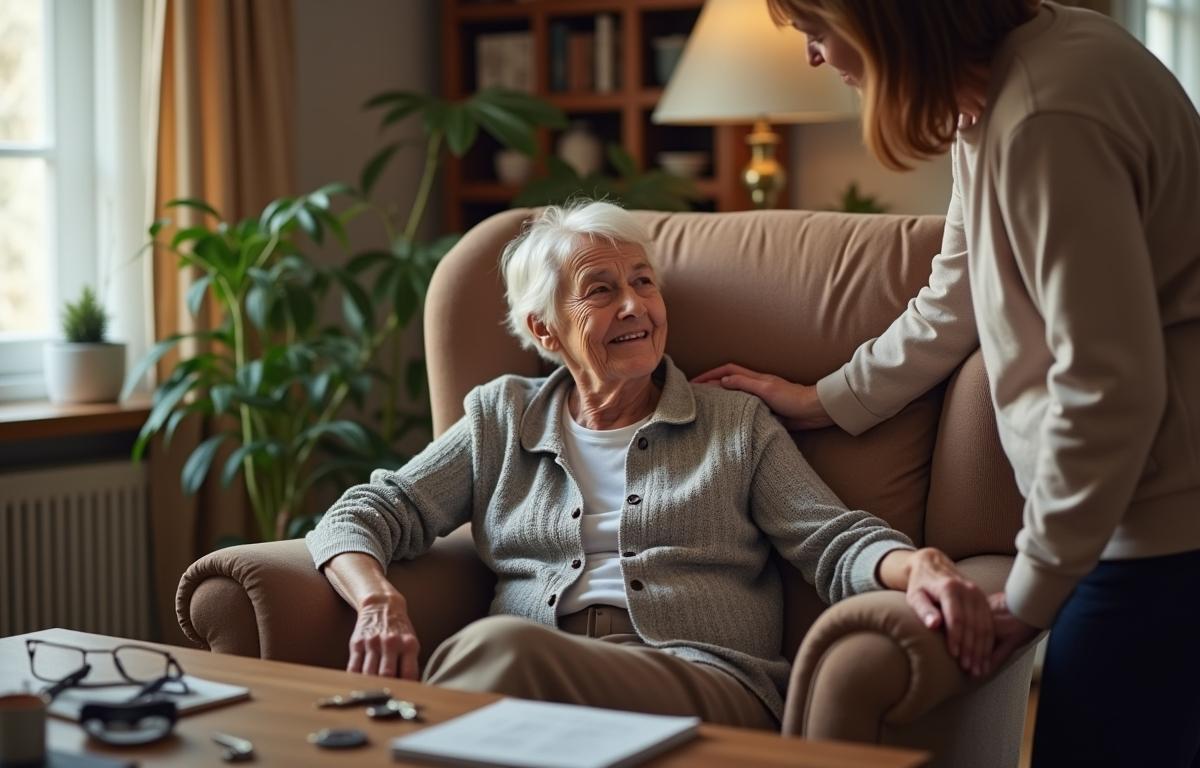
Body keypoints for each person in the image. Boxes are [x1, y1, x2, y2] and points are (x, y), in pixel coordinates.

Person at [696, 1, 1200, 762]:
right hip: (1130, 526)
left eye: (815, 32)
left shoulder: (1045, 120)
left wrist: (1032, 594)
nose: (812, 56)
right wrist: (825, 399)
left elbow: (1107, 389)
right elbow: (955, 294)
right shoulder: (995, 96)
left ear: (883, 23)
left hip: (1158, 535)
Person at [305, 200, 992, 730]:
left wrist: (918, 565)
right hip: (537, 682)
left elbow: (832, 541)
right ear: (545, 330)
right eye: (600, 291)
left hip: (701, 680)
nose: (635, 305)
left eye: (643, 282)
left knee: (501, 652)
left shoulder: (733, 423)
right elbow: (364, 514)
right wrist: (377, 598)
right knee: (506, 665)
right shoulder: (502, 418)